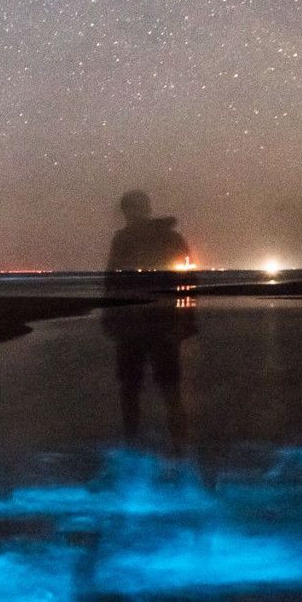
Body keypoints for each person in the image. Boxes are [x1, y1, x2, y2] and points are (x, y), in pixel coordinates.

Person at [100, 190, 195, 455]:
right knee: (167, 388)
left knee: (134, 389)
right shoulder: (170, 238)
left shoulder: (124, 239)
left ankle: (137, 448)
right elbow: (187, 279)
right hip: (160, 323)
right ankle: (178, 450)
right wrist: (186, 319)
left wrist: (110, 317)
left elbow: (113, 281)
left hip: (136, 325)